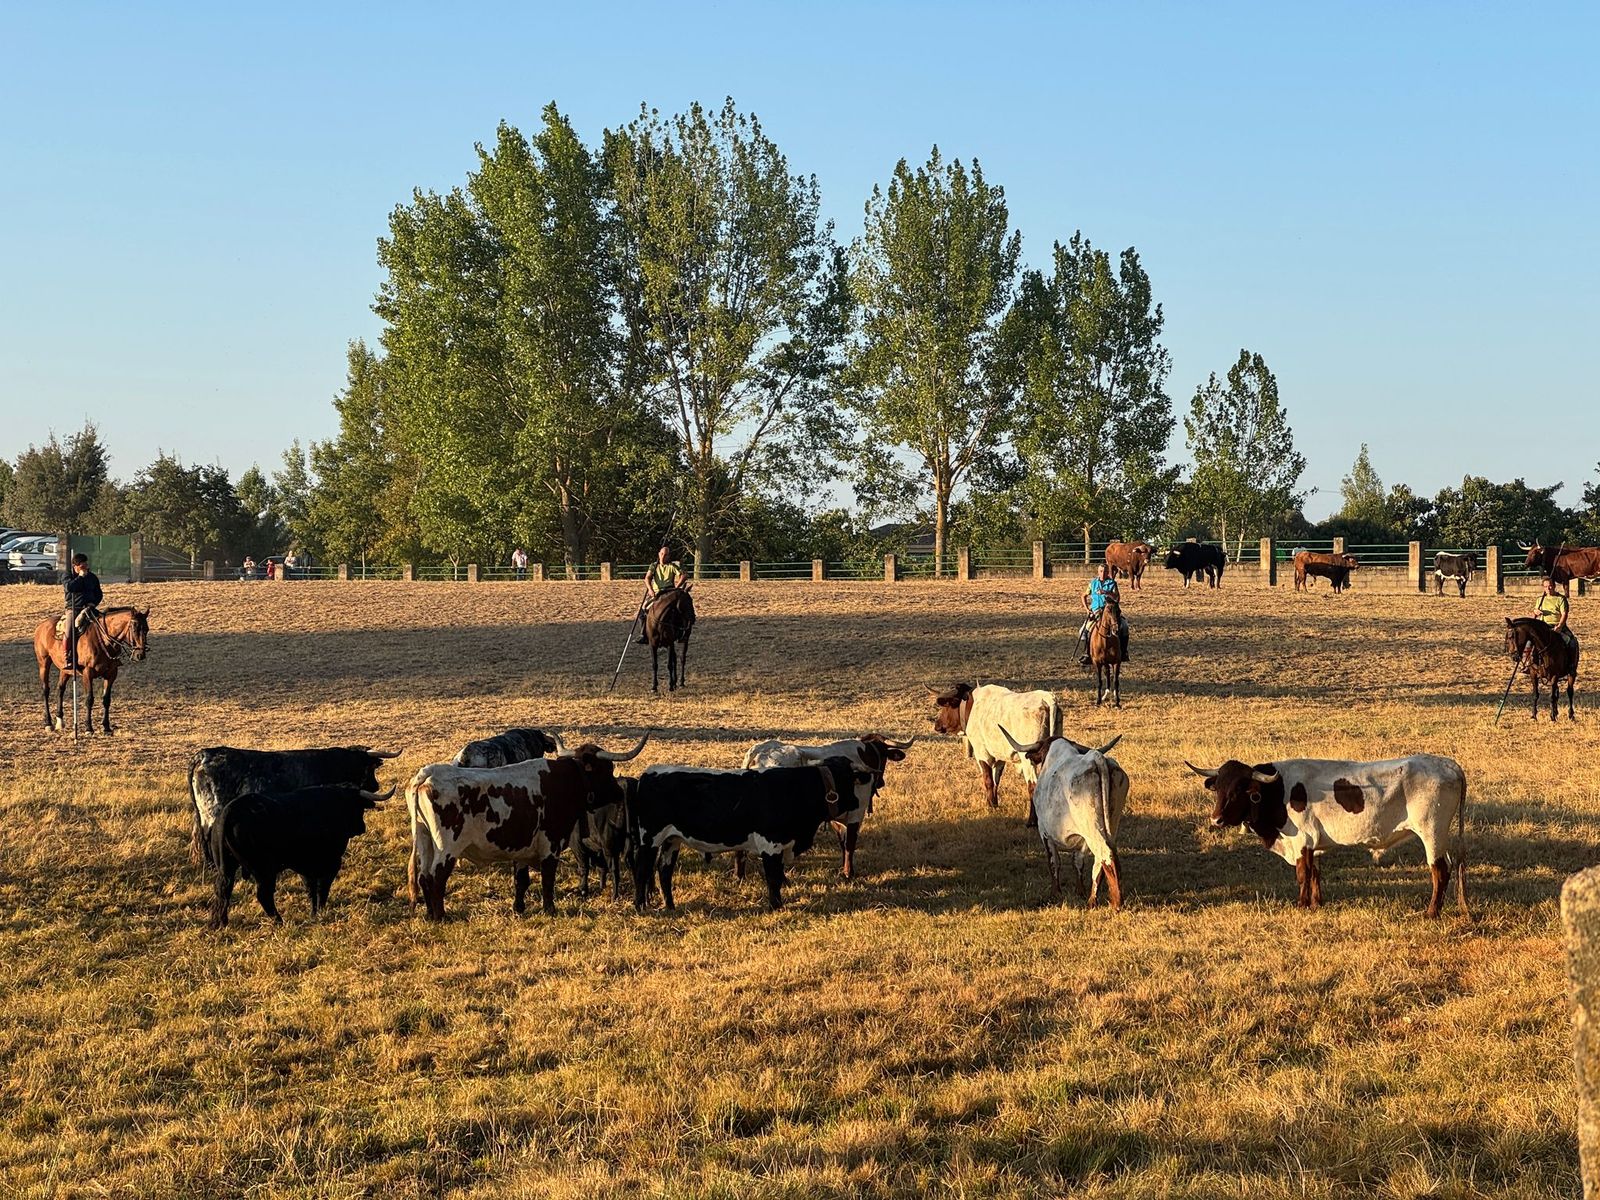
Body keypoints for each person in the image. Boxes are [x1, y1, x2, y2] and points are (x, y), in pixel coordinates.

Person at [1077, 563, 1130, 666]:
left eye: (1105, 571)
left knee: (1124, 626)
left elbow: (1117, 598)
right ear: (1098, 572)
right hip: (1096, 611)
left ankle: (1123, 652)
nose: (1103, 573)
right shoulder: (1092, 583)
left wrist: (1107, 592)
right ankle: (1087, 653)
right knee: (1083, 631)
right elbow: (1084, 595)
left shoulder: (1112, 583)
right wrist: (1087, 609)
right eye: (1101, 571)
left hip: (1110, 611)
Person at [62, 552, 103, 671]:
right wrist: (80, 577)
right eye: (82, 566)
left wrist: (93, 603)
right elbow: (69, 587)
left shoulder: (92, 577)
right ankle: (67, 657)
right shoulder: (67, 575)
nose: (86, 568)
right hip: (74, 608)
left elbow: (99, 593)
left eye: (86, 565)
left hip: (90, 608)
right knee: (69, 631)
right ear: (76, 566)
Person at [637, 545, 684, 643]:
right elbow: (647, 578)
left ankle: (680, 633)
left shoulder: (672, 566)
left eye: (665, 555)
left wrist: (676, 587)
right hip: (656, 594)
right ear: (659, 554)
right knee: (643, 610)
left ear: (668, 556)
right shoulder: (653, 566)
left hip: (668, 593)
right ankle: (643, 634)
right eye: (662, 554)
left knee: (681, 610)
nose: (663, 556)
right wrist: (650, 589)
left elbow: (683, 576)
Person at [1533, 576, 1574, 656]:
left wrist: (1559, 626)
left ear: (1554, 586)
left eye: (1550, 586)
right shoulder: (1540, 599)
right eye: (1545, 586)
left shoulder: (1561, 599)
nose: (1548, 588)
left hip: (1557, 626)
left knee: (1571, 642)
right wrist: (1535, 612)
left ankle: (1571, 663)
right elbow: (1535, 612)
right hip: (1543, 626)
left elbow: (1564, 614)